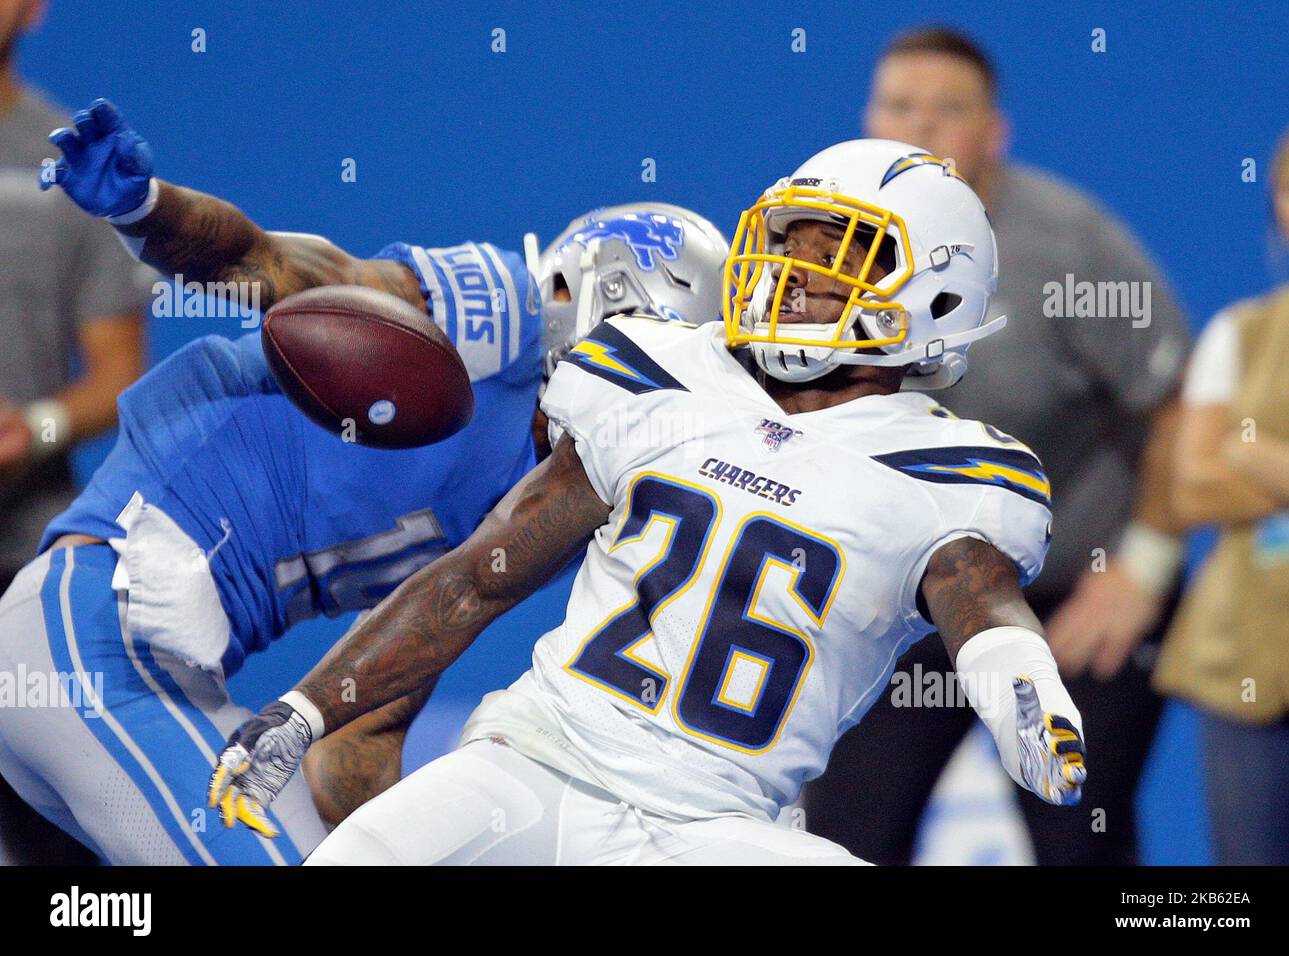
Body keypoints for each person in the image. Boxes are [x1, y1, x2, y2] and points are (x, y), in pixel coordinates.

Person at [208, 139, 1087, 866]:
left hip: (723, 827)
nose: (799, 270)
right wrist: (308, 706)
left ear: (934, 291)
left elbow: (981, 599)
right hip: (543, 763)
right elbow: (479, 578)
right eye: (795, 242)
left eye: (840, 252)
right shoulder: (662, 373)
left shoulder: (948, 474)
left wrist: (1026, 684)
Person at [0, 97, 728, 864]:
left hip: (158, 673)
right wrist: (153, 211)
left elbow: (363, 725)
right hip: (97, 634)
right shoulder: (505, 315)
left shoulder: (576, 493)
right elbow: (288, 271)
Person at [803, 26, 1192, 865]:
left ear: (994, 132)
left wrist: (1141, 571)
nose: (922, 127)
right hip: (905, 604)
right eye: (901, 106)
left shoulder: (1071, 245)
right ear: (870, 117)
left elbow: (1175, 405)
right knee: (843, 838)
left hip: (1067, 599)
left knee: (1077, 843)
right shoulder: (811, 248)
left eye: (950, 110)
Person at [0, 1, 150, 865]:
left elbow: (117, 375)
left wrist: (34, 426)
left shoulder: (71, 163)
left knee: (59, 851)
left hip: (23, 555)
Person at [1156, 121, 1289, 866]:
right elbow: (1191, 487)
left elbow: (1222, 460)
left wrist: (1252, 449)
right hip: (1241, 656)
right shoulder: (1238, 332)